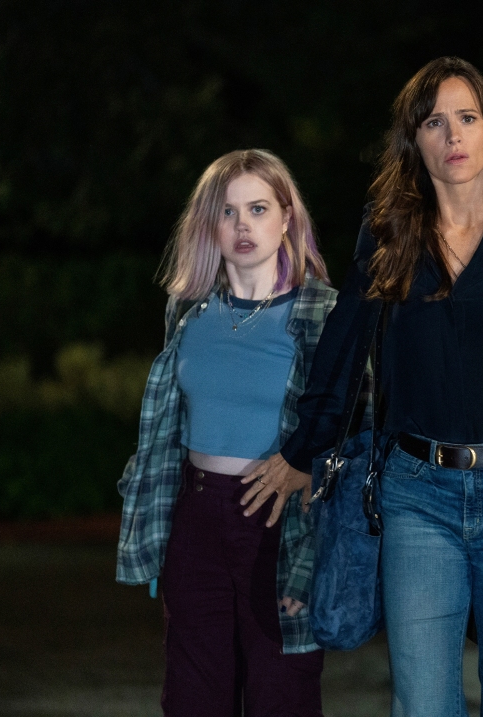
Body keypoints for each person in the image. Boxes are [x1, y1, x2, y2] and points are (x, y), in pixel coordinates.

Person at [244, 57, 483, 716]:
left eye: (466, 118)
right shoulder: (387, 235)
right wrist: (301, 451)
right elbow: (344, 348)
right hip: (417, 498)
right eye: (434, 122)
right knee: (422, 706)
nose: (453, 135)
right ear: (415, 140)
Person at [115, 149, 335, 717]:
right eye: (229, 212)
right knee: (193, 698)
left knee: (280, 695)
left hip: (281, 522)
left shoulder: (322, 313)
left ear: (286, 217)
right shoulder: (186, 311)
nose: (243, 226)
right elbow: (166, 434)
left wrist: (311, 479)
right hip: (197, 519)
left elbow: (353, 430)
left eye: (258, 209)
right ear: (209, 223)